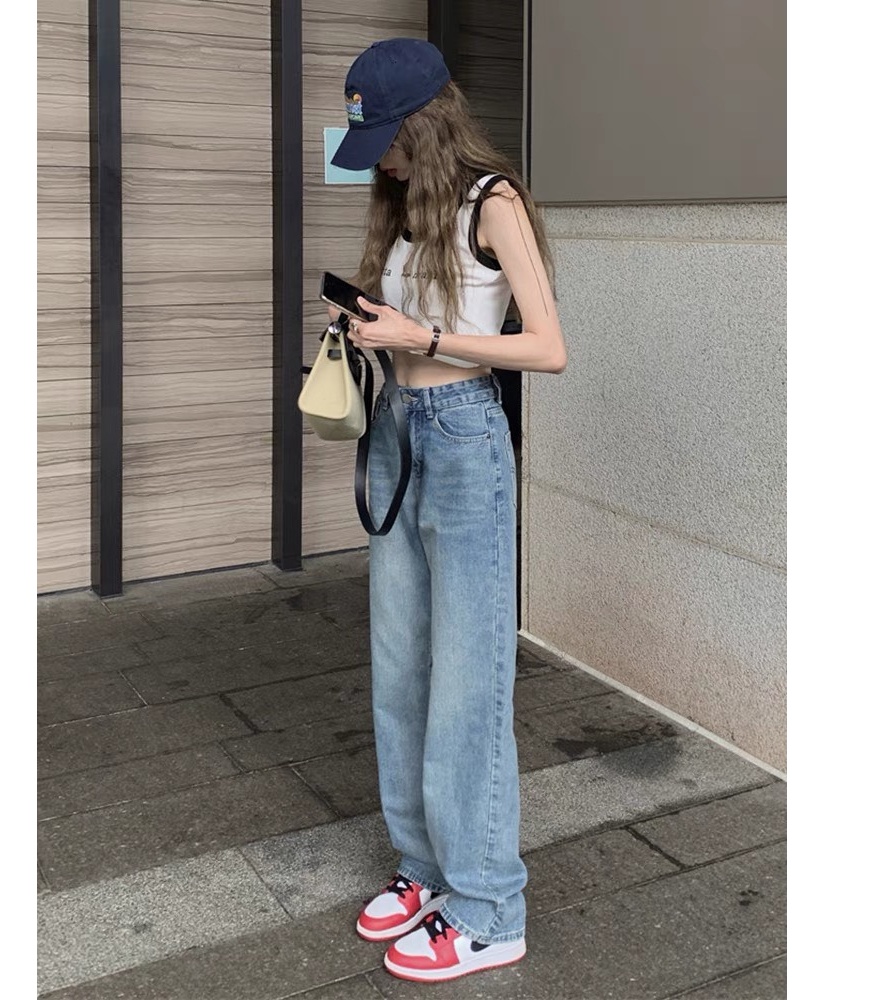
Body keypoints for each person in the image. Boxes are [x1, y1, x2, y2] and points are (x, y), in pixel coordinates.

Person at [328, 38, 566, 984]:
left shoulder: (493, 202)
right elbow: (411, 332)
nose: (381, 160)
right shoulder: (400, 206)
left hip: (465, 438)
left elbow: (547, 348)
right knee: (399, 669)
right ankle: (424, 867)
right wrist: (371, 332)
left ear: (426, 125)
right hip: (398, 429)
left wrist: (424, 336)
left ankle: (489, 907)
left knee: (469, 684)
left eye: (389, 140)